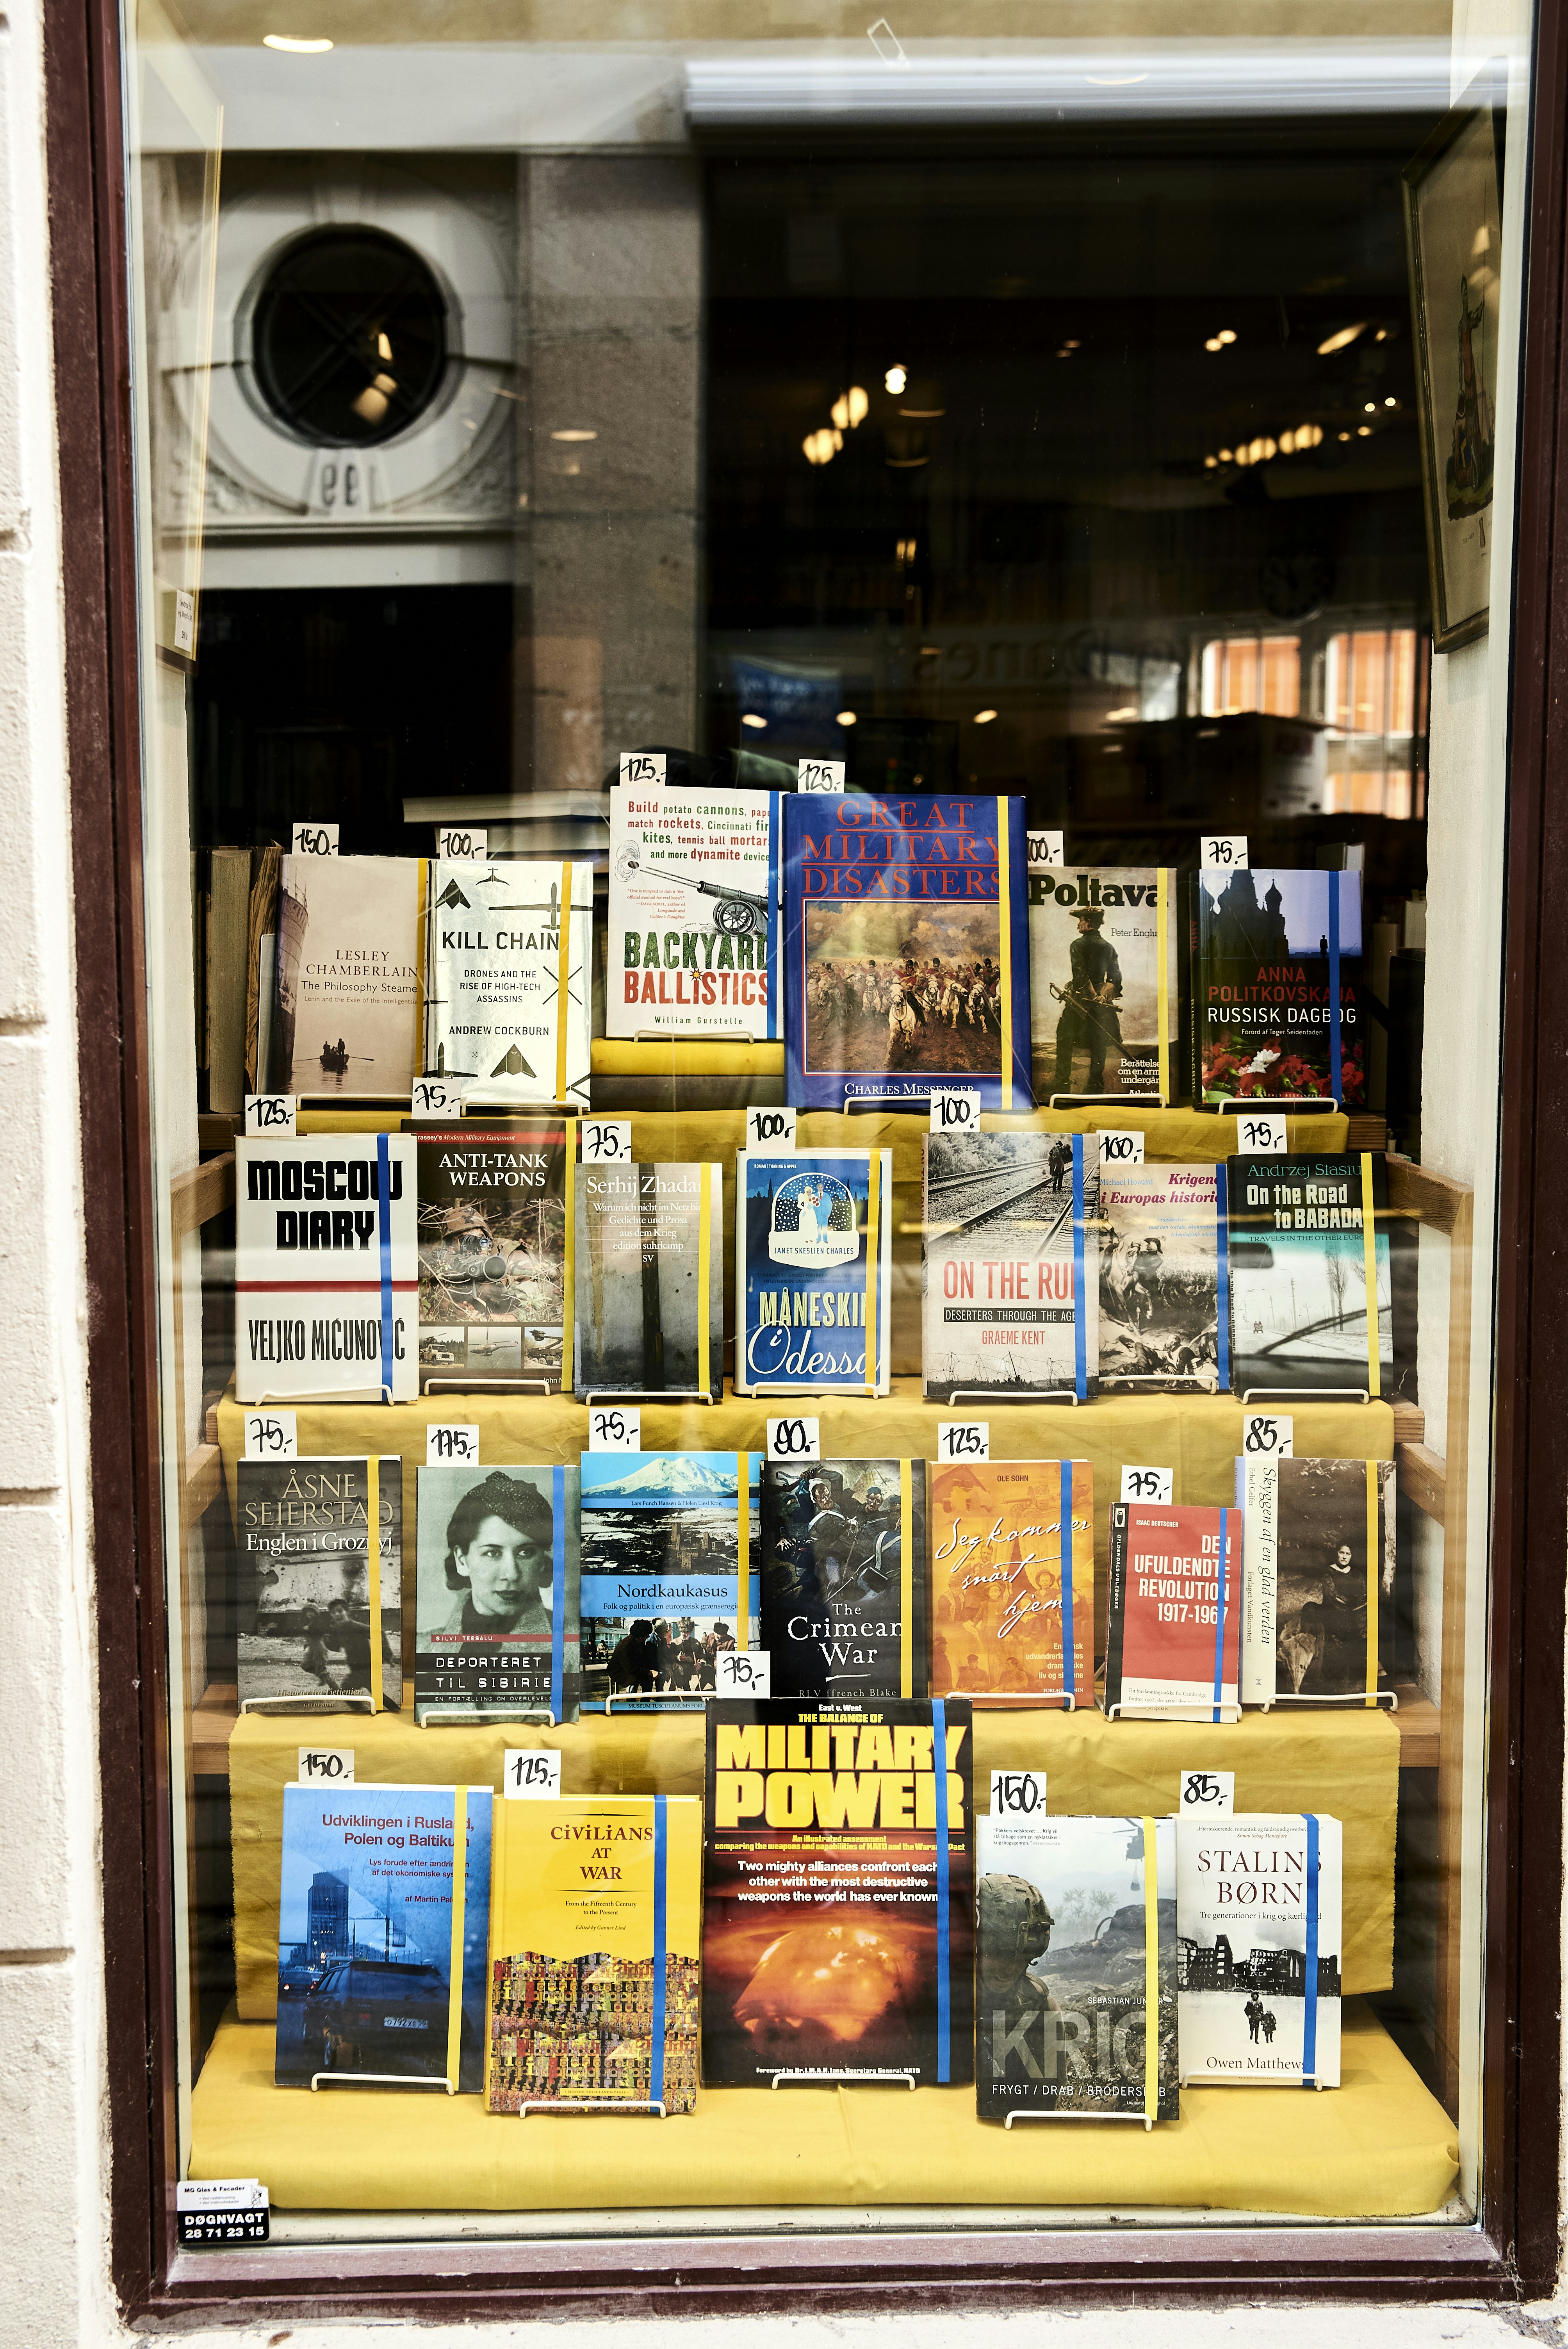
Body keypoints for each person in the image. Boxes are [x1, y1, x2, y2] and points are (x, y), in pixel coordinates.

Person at [433, 1469, 554, 1640]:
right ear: (462, 1561)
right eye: (492, 1553)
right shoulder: (422, 1645)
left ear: (542, 1560)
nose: (512, 1574)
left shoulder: (571, 1645)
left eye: (526, 1552)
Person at [1052, 909, 1123, 1093]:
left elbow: (1081, 976)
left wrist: (1092, 997)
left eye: (1081, 921)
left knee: (1064, 1037)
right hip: (1101, 1003)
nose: (1079, 924)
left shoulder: (1078, 944)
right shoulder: (1108, 946)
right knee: (1099, 1041)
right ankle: (1096, 1083)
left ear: (1089, 922)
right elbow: (1115, 979)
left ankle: (1062, 1083)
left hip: (1080, 1001)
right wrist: (1102, 997)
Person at [1299, 1541, 1370, 1697]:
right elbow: (1334, 1597)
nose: (1345, 1557)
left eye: (1348, 1554)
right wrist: (1351, 1605)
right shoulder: (1329, 1572)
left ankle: (1359, 1669)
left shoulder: (1357, 1574)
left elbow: (1364, 1594)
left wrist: (1355, 1606)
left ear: (1352, 1556)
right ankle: (1338, 1673)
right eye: (1342, 1553)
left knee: (1361, 1625)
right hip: (1333, 1611)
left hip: (1354, 1611)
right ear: (1337, 1554)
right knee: (1344, 1625)